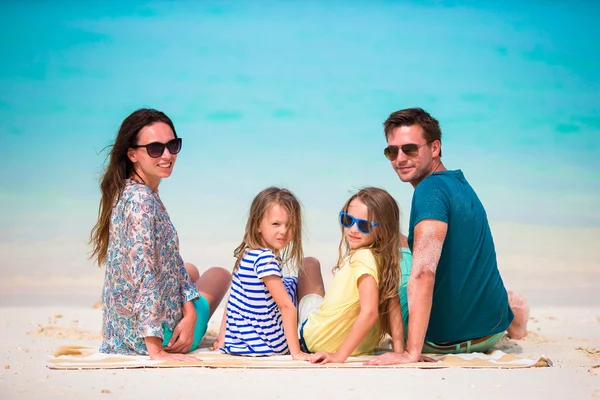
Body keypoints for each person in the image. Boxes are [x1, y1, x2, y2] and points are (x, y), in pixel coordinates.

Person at [367, 107, 529, 365]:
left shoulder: (428, 190)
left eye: (410, 149)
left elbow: (423, 273)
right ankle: (513, 318)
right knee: (385, 236)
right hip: (491, 331)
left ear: (434, 148)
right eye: (391, 151)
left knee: (374, 257)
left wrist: (411, 353)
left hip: (442, 340)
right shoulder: (459, 183)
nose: (400, 158)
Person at [89, 108, 231, 361]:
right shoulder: (143, 202)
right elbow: (144, 274)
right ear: (132, 153)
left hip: (120, 332)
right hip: (159, 337)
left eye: (172, 145)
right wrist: (155, 348)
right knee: (219, 274)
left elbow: (169, 263)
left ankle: (184, 315)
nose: (167, 155)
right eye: (155, 149)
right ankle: (171, 332)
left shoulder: (126, 190)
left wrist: (189, 311)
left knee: (188, 268)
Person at [298, 187, 406, 364]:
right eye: (347, 220)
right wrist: (400, 351)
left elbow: (370, 312)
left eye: (364, 225)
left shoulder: (362, 258)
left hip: (314, 339)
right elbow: (393, 305)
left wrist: (339, 356)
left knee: (309, 264)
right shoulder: (385, 262)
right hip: (358, 347)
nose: (353, 229)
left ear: (383, 229)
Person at [214, 187, 319, 360]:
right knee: (299, 278)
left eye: (290, 225)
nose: (283, 231)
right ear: (257, 225)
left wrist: (223, 337)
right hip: (269, 343)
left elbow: (233, 298)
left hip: (240, 342)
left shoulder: (247, 253)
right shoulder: (265, 259)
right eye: (276, 224)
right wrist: (296, 352)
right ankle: (315, 329)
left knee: (288, 281)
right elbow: (286, 306)